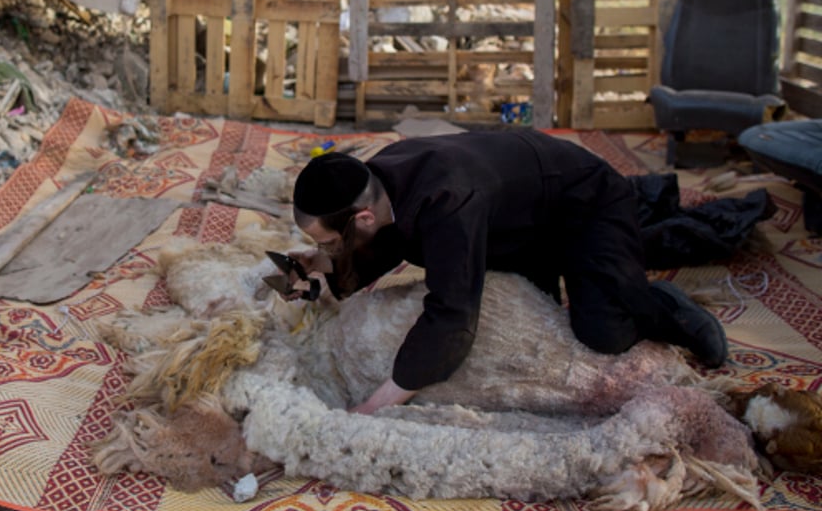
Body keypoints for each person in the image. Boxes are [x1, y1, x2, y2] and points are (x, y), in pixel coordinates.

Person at [288, 130, 728, 415]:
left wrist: (377, 404)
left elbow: (452, 317)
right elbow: (392, 236)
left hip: (586, 201)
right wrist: (324, 264)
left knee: (603, 332)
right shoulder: (380, 183)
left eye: (327, 241)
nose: (324, 248)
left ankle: (664, 307)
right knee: (537, 321)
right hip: (519, 218)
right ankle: (580, 275)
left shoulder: (447, 202)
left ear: (362, 217)